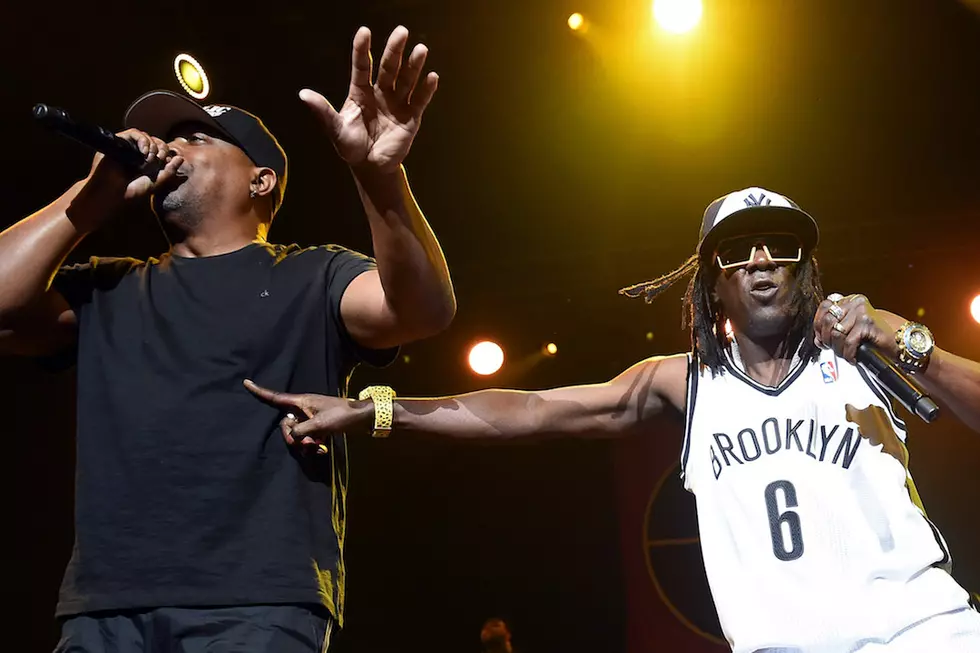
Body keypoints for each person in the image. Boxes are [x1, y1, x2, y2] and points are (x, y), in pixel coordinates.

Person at [246, 187, 980, 652]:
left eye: (781, 246)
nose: (761, 260)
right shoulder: (684, 385)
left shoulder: (863, 352)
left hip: (924, 634)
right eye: (737, 248)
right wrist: (377, 408)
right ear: (712, 282)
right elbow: (529, 410)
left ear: (804, 268)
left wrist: (905, 340)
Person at [0, 26, 455, 653]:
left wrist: (379, 177)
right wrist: (92, 195)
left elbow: (421, 312)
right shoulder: (106, 288)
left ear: (260, 181)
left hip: (256, 605)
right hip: (106, 608)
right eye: (167, 135)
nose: (168, 147)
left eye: (195, 136)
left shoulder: (313, 273)